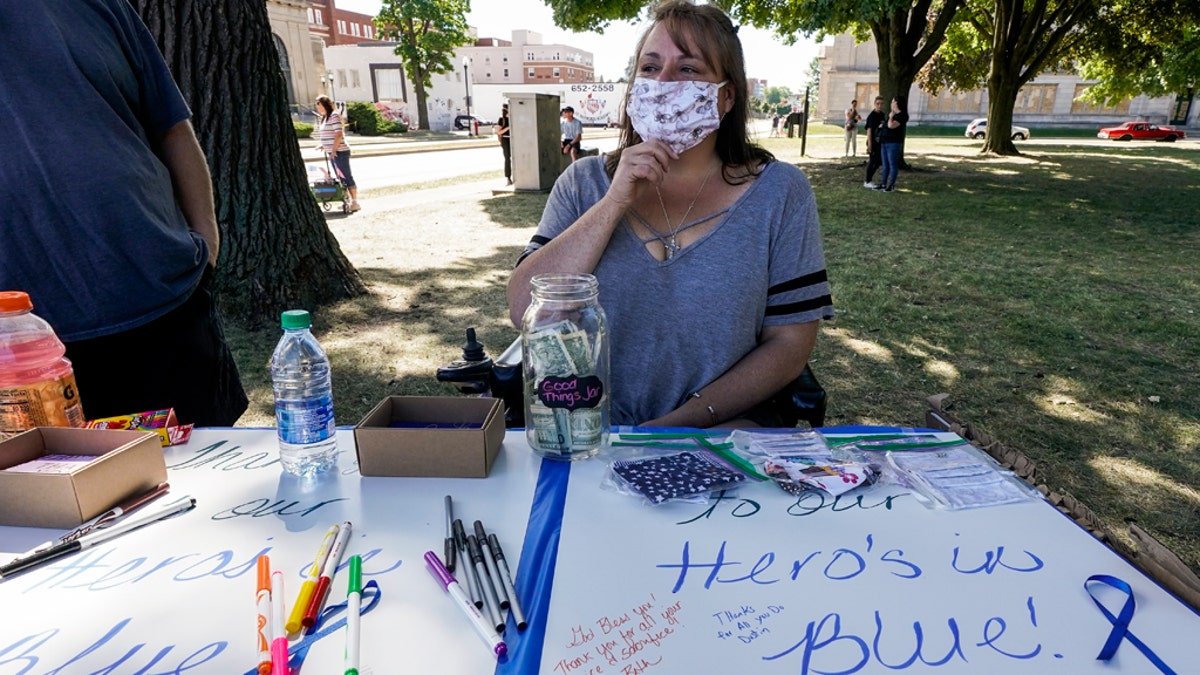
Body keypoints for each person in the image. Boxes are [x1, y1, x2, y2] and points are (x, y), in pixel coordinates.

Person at [508, 0, 834, 428]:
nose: (662, 83)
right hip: (588, 434)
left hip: (723, 434)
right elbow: (522, 309)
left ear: (726, 96)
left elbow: (789, 345)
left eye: (688, 70)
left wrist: (681, 424)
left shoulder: (781, 193)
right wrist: (613, 204)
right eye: (649, 67)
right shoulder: (583, 184)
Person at [0, 0, 247, 426]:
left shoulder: (103, 5)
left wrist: (206, 243)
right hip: (20, 347)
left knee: (212, 476)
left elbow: (172, 126)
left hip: (162, 304)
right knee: (59, 488)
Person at [316, 95, 360, 212]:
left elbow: (338, 134)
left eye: (318, 104)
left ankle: (355, 202)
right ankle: (347, 201)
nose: (317, 107)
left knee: (345, 176)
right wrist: (324, 145)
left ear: (324, 104)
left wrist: (334, 150)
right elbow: (330, 134)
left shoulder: (334, 116)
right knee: (340, 178)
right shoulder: (325, 117)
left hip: (339, 152)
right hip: (332, 152)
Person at [878, 95, 908, 192]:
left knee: (892, 164)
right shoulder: (892, 114)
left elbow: (891, 126)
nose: (891, 104)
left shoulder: (902, 115)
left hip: (893, 143)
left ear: (897, 103)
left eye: (893, 102)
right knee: (885, 164)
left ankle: (891, 185)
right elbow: (885, 125)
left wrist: (890, 117)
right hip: (885, 142)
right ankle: (883, 184)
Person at [863, 96, 886, 188]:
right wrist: (870, 145)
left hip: (880, 142)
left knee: (878, 161)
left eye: (881, 104)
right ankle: (867, 181)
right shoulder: (871, 116)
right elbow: (869, 131)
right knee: (872, 161)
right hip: (873, 142)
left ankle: (870, 179)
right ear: (874, 104)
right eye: (878, 104)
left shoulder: (882, 115)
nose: (879, 105)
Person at [496, 104, 513, 185]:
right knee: (507, 158)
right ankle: (508, 177)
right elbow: (498, 132)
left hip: (514, 139)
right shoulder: (501, 119)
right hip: (506, 139)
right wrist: (507, 128)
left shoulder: (513, 118)